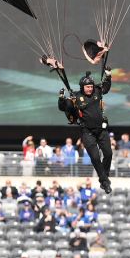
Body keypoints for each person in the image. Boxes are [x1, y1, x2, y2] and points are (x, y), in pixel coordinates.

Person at [53, 52, 115, 193]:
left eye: (91, 86)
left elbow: (105, 87)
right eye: (87, 87)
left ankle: (104, 177)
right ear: (82, 87)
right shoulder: (76, 97)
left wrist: (108, 75)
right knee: (94, 157)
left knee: (108, 154)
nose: (90, 88)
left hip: (101, 130)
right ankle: (104, 181)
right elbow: (64, 107)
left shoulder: (97, 92)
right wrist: (61, 99)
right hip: (87, 132)